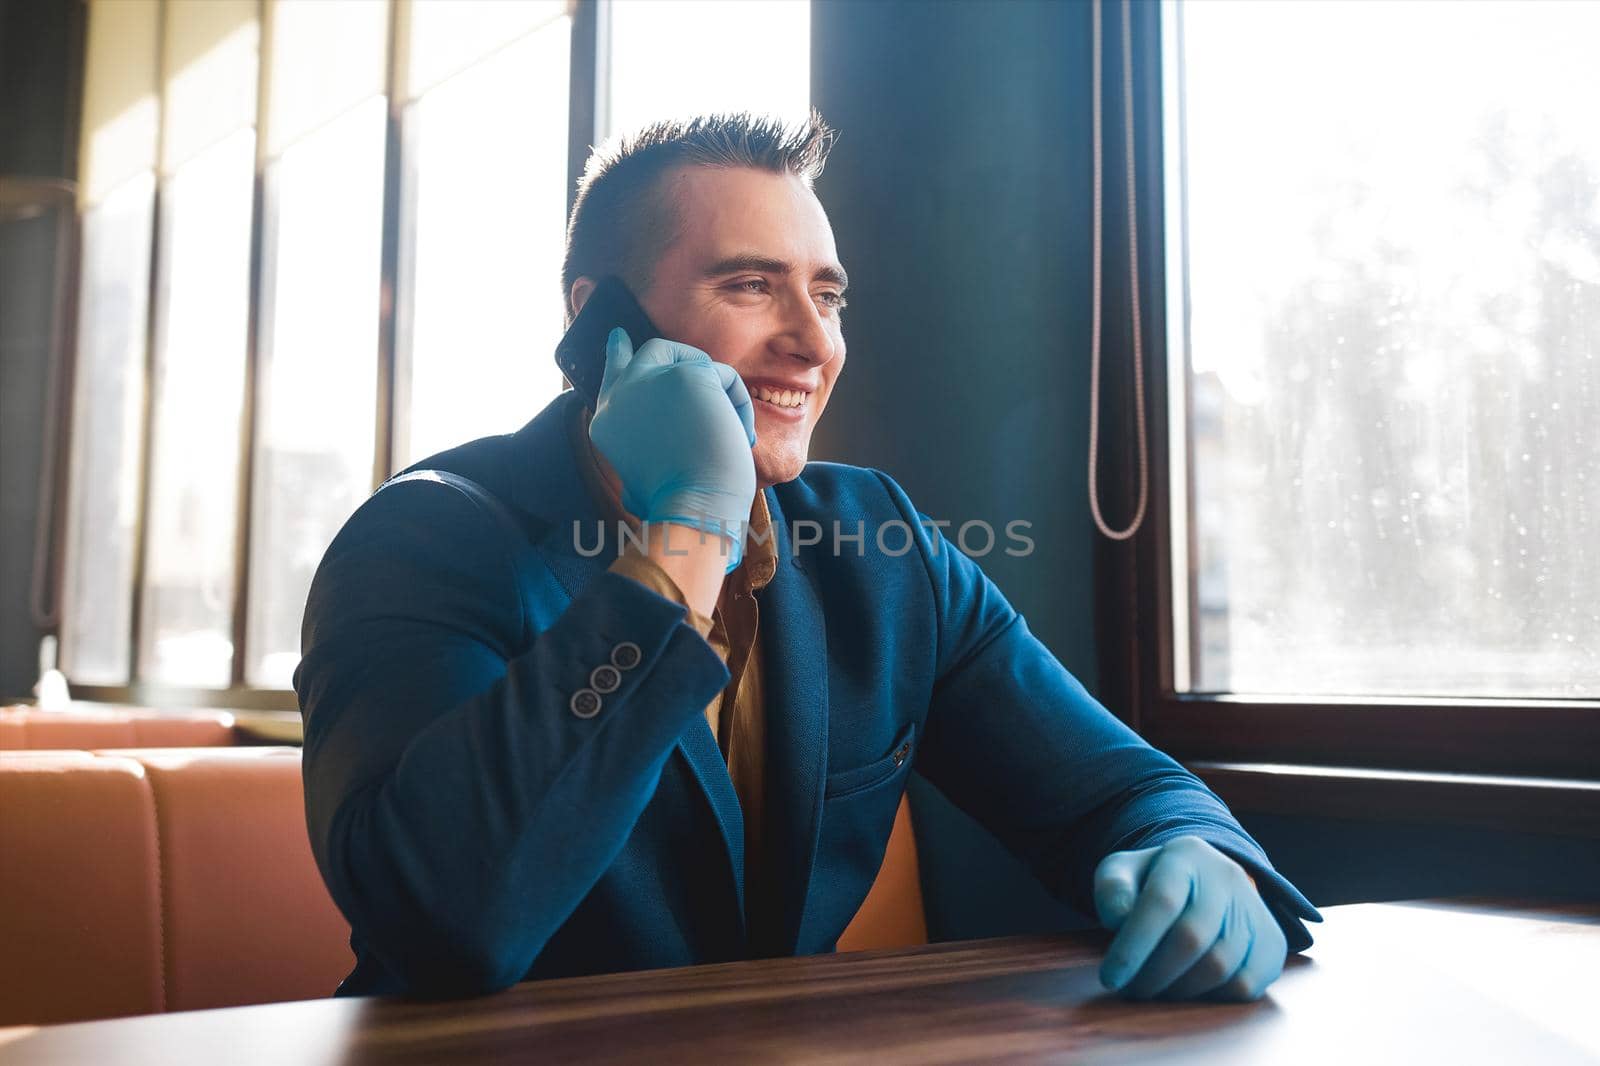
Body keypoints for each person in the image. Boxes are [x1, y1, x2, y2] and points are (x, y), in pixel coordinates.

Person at [296, 109, 1320, 1004]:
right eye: (750, 285)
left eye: (826, 297)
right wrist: (687, 531)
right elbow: (446, 922)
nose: (813, 343)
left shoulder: (879, 547)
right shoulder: (422, 541)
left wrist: (1203, 849)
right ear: (595, 322)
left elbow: (1118, 791)